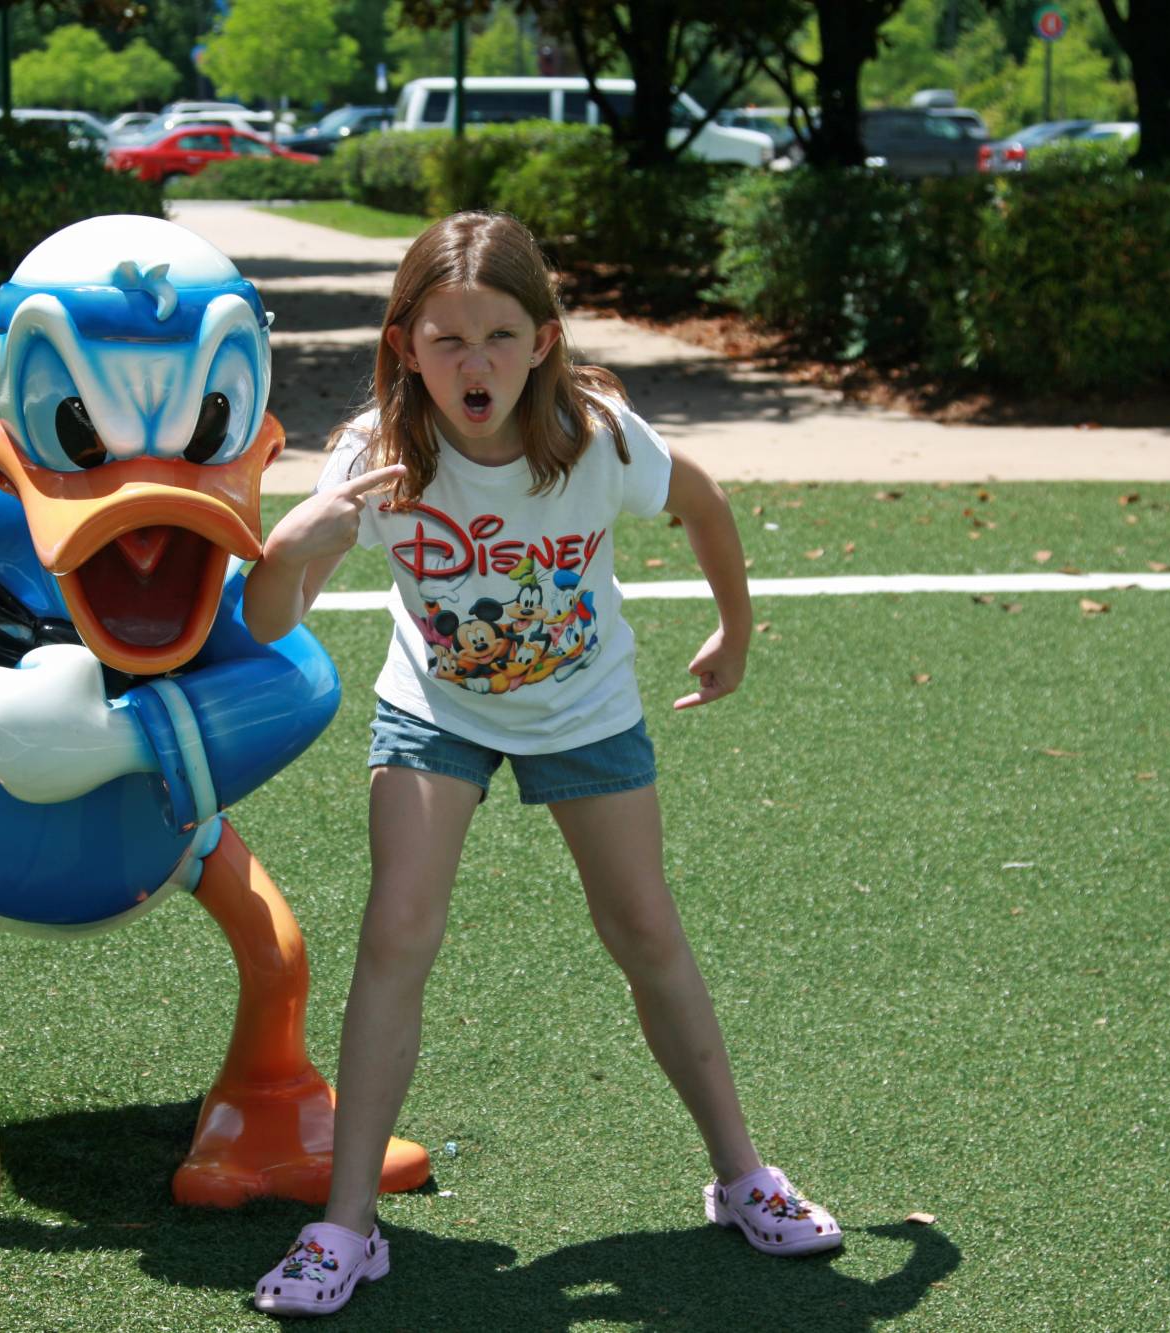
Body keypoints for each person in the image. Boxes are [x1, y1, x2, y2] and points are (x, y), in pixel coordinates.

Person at [240, 211, 840, 1317]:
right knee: (396, 932)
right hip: (438, 709)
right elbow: (270, 613)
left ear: (545, 340)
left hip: (585, 708)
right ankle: (345, 1223)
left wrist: (734, 628)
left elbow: (699, 501)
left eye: (499, 336)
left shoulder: (596, 435)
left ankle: (742, 1173)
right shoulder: (376, 454)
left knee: (645, 930)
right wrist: (296, 540)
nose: (475, 364)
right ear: (403, 347)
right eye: (446, 339)